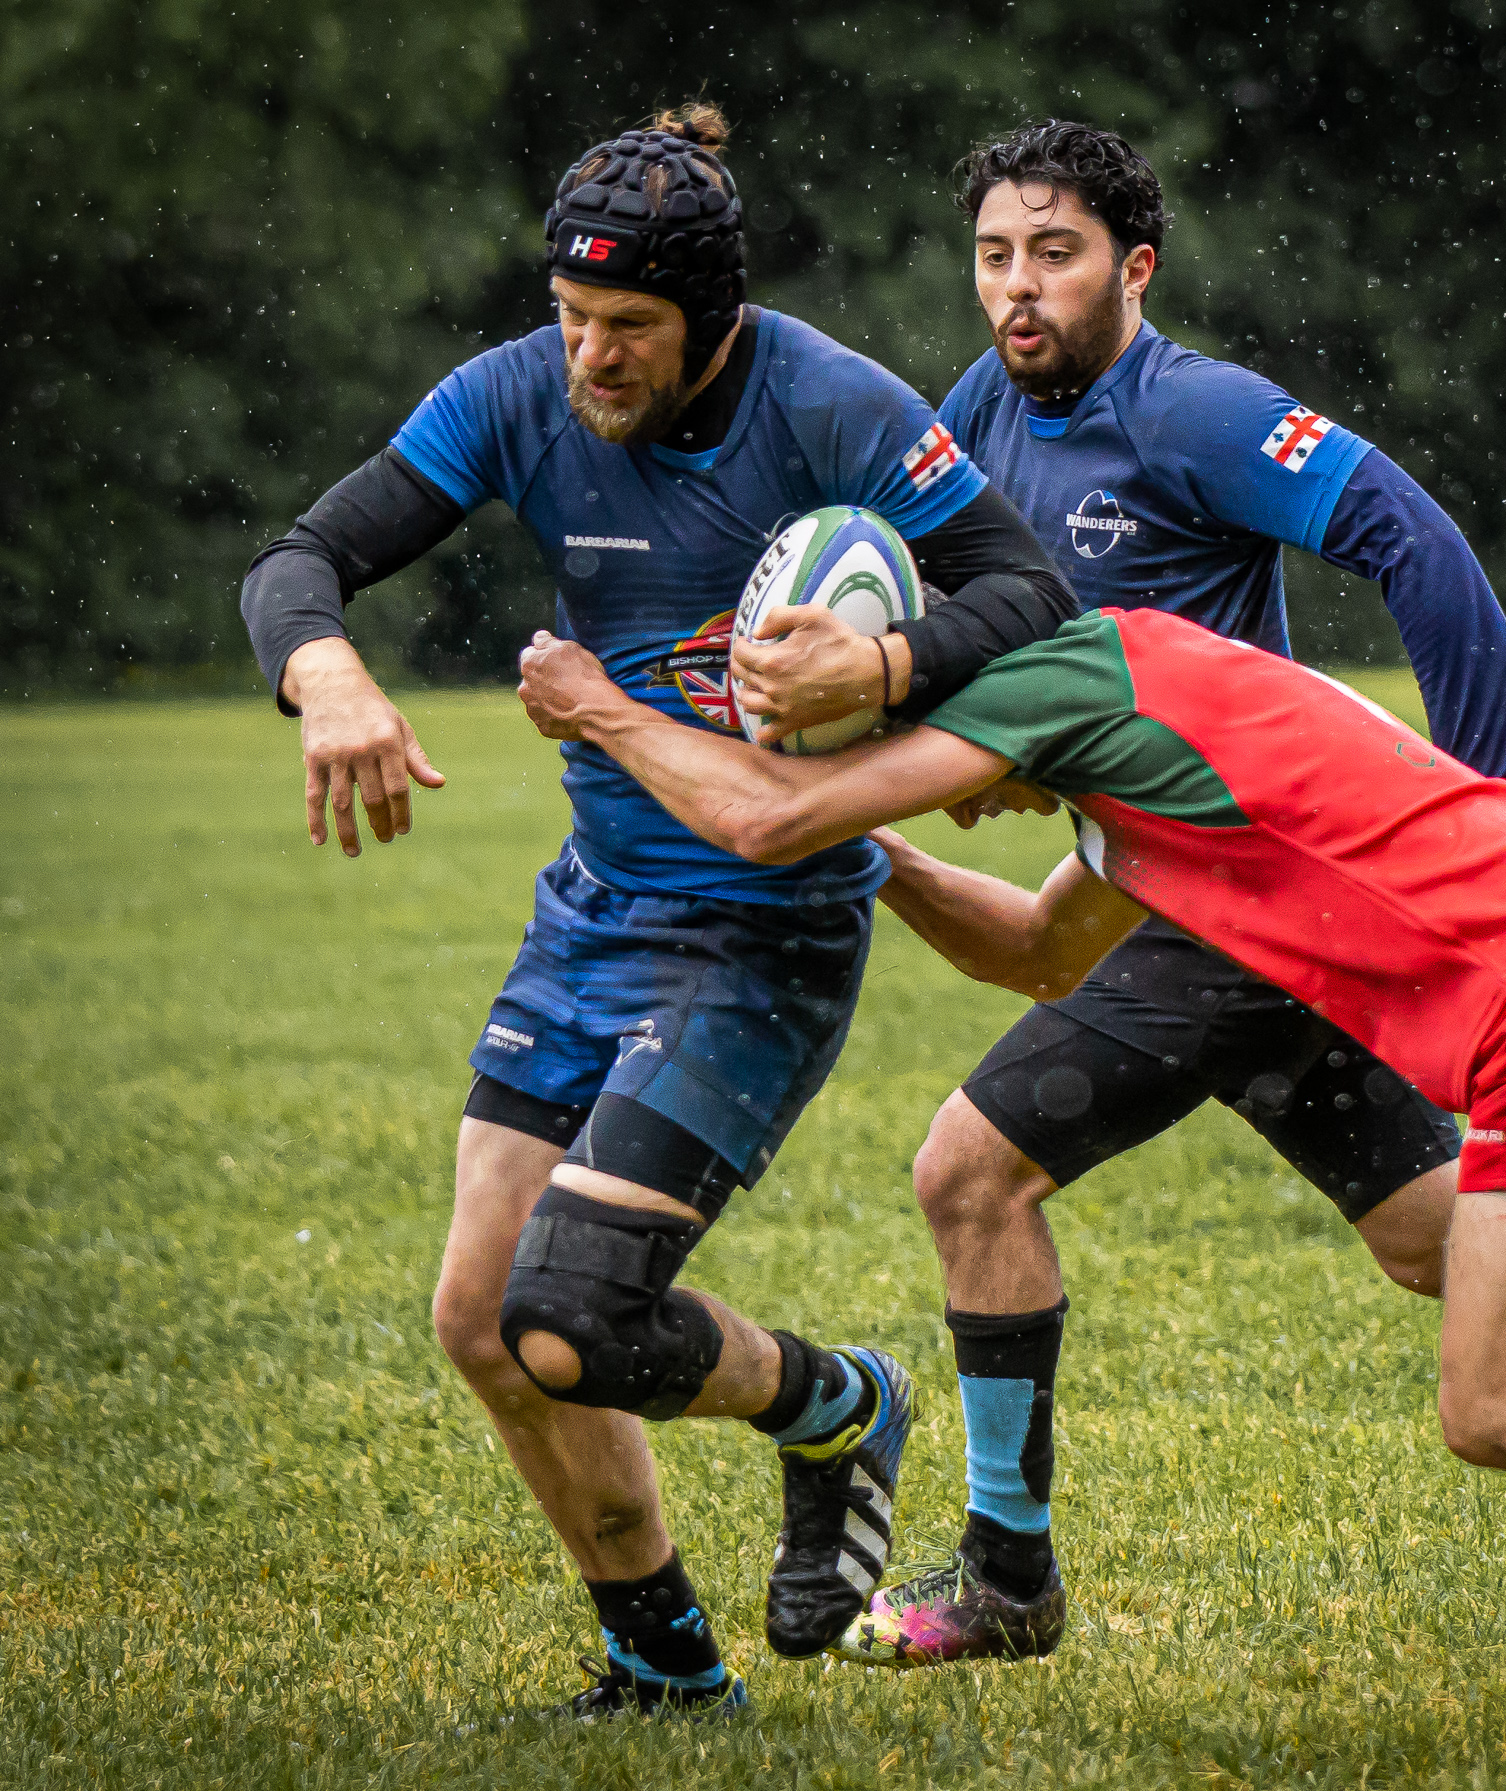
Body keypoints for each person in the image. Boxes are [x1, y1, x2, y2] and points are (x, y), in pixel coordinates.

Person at [512, 610, 1506, 1745]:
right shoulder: (1130, 724)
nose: (937, 795)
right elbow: (1034, 951)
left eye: (902, 772)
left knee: (1499, 1404)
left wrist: (600, 709)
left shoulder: (1062, 671)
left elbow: (768, 813)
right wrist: (885, 859)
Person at [728, 120, 1506, 1664]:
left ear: (1134, 267)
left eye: (1054, 254)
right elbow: (957, 638)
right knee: (1437, 1248)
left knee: (968, 1174)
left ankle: (1008, 1578)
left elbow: (1413, 536)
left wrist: (1484, 793)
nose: (1017, 287)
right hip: (1170, 882)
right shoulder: (975, 413)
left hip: (1247, 887)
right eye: (994, 254)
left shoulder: (1192, 410)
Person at [238, 103, 1078, 1719]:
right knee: (488, 1323)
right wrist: (324, 667)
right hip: (592, 913)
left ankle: (838, 1404)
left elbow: (1026, 588)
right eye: (571, 321)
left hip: (763, 931)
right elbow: (305, 558)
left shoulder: (830, 402)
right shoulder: (510, 395)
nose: (591, 362)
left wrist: (888, 665)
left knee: (573, 1315)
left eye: (629, 331)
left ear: (716, 320)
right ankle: (665, 1665)